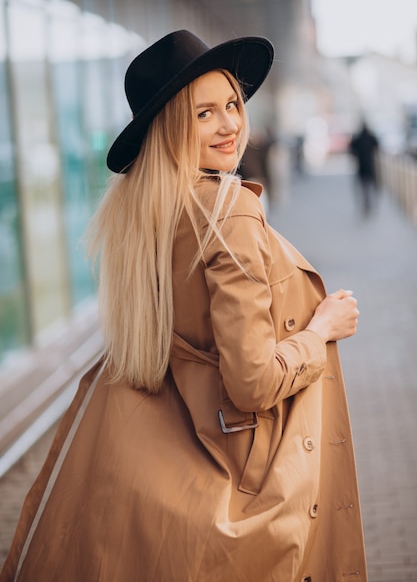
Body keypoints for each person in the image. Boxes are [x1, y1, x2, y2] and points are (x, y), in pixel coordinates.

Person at [1, 30, 367, 582]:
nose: (230, 125)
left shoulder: (145, 216)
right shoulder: (229, 212)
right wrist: (321, 329)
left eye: (232, 105)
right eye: (203, 114)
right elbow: (252, 383)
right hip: (249, 469)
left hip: (160, 471)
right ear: (171, 127)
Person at [349, 121, 380, 215]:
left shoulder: (358, 137)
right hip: (370, 165)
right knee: (369, 185)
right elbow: (377, 146)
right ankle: (367, 202)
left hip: (362, 166)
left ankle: (367, 202)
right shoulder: (371, 137)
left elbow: (351, 148)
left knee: (364, 185)